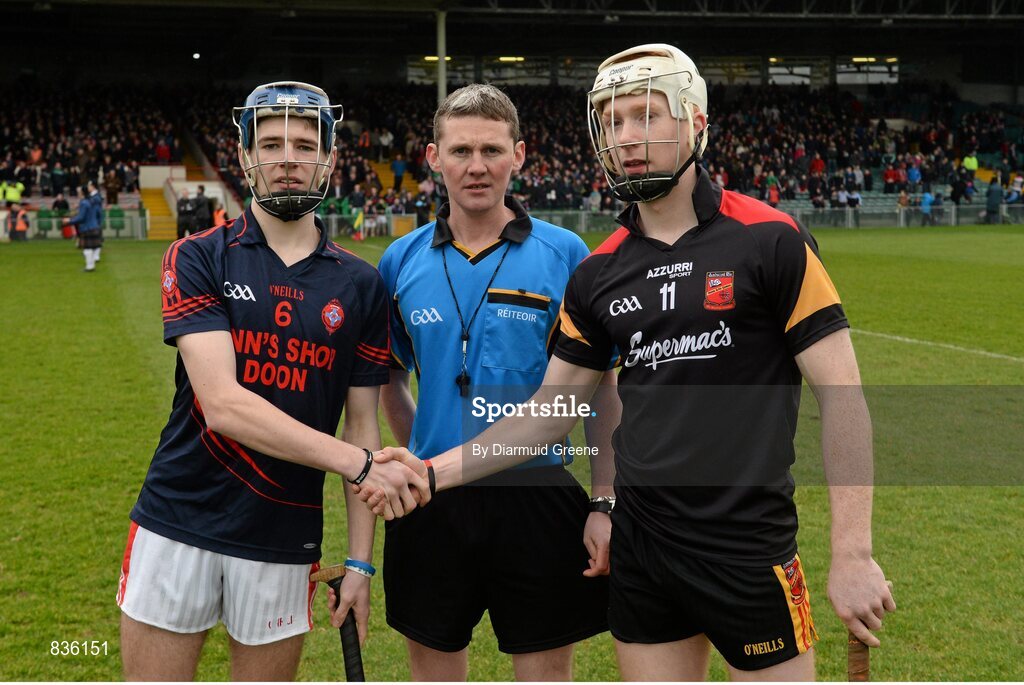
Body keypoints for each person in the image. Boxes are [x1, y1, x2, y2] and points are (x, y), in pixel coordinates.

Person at [364, 44, 895, 682]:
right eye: (613, 122)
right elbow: (547, 415)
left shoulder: (771, 239)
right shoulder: (599, 272)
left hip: (750, 546)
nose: (627, 137)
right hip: (644, 554)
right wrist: (430, 471)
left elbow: (842, 397)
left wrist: (853, 553)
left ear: (695, 121)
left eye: (647, 116)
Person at [115, 81, 428, 682]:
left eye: (306, 144)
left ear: (330, 159)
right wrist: (359, 465)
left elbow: (364, 424)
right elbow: (224, 406)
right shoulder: (198, 256)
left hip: (284, 534)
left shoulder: (361, 286)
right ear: (245, 156)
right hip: (178, 520)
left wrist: (360, 566)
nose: (289, 156)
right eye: (273, 142)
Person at [372, 84, 617, 681]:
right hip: (430, 499)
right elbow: (389, 377)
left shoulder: (566, 254)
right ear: (433, 157)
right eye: (460, 151)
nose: (475, 166)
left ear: (520, 154)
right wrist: (425, 451)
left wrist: (605, 501)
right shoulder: (399, 261)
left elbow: (602, 394)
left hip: (538, 497)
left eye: (491, 149)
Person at [65, 184, 102, 271]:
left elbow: (81, 217)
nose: (78, 193)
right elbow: (98, 213)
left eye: (78, 192)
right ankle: (91, 265)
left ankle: (90, 267)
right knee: (92, 248)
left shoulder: (84, 202)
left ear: (82, 193)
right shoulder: (91, 201)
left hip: (87, 228)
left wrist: (69, 221)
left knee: (87, 248)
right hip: (94, 226)